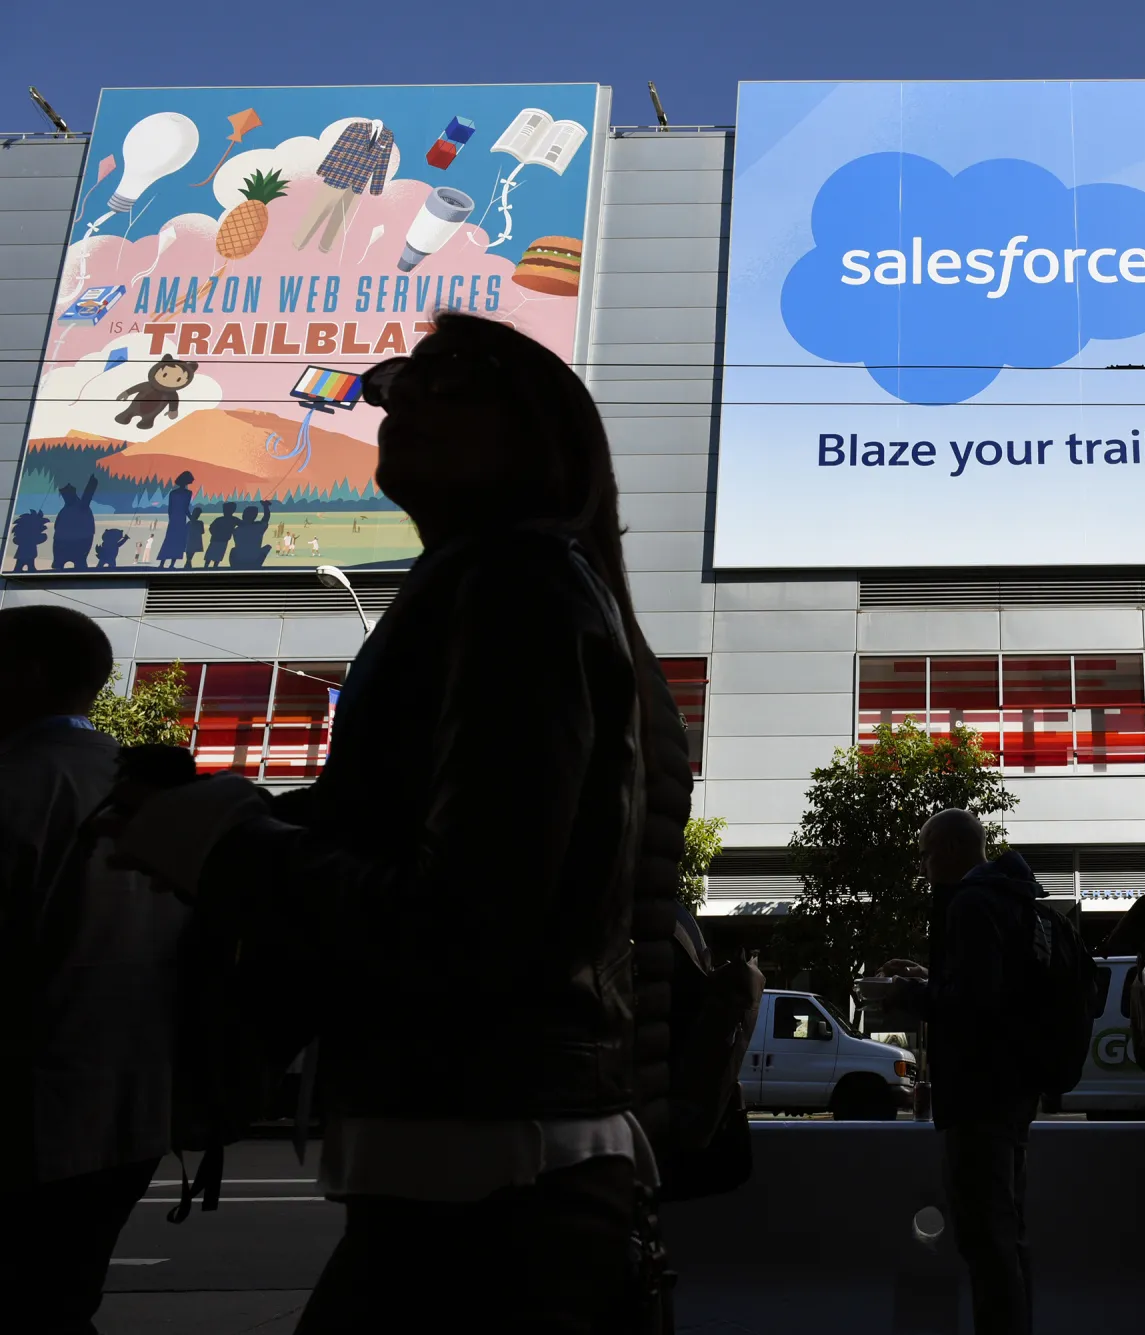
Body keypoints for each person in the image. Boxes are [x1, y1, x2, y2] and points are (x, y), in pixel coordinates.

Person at [111, 312, 667, 1333]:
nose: (397, 399)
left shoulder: (515, 582)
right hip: (488, 1175)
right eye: (393, 381)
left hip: (486, 1192)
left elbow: (463, 919)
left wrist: (219, 841)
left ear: (543, 433)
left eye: (445, 378)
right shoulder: (498, 582)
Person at [0, 605, 185, 1333]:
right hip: (131, 1112)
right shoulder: (152, 793)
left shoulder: (18, 785)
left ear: (26, 675)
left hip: (27, 1105)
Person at [878, 810, 1042, 1335]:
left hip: (977, 1094)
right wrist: (930, 977)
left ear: (950, 848)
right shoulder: (1008, 896)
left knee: (986, 1239)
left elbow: (974, 1003)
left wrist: (909, 994)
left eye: (925, 851)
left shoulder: (971, 903)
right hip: (1011, 1088)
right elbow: (991, 986)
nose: (922, 863)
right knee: (1008, 1233)